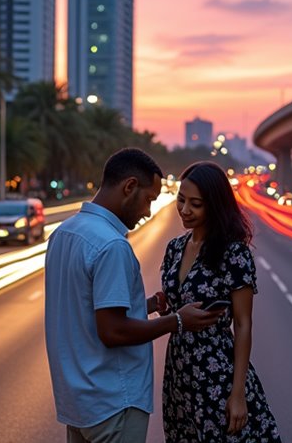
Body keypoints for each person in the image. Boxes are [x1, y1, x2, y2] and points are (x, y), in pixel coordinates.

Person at [45, 148, 221, 443]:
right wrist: (177, 321)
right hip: (114, 402)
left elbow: (84, 308)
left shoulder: (64, 234)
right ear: (129, 187)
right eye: (149, 199)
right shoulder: (111, 246)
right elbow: (112, 331)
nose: (148, 212)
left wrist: (146, 305)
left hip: (77, 404)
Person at [160, 161, 282, 442]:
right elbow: (173, 304)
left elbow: (243, 323)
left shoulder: (234, 253)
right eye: (181, 200)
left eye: (196, 204)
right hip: (178, 370)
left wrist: (237, 393)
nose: (185, 210)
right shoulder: (174, 249)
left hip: (216, 371)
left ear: (214, 206)